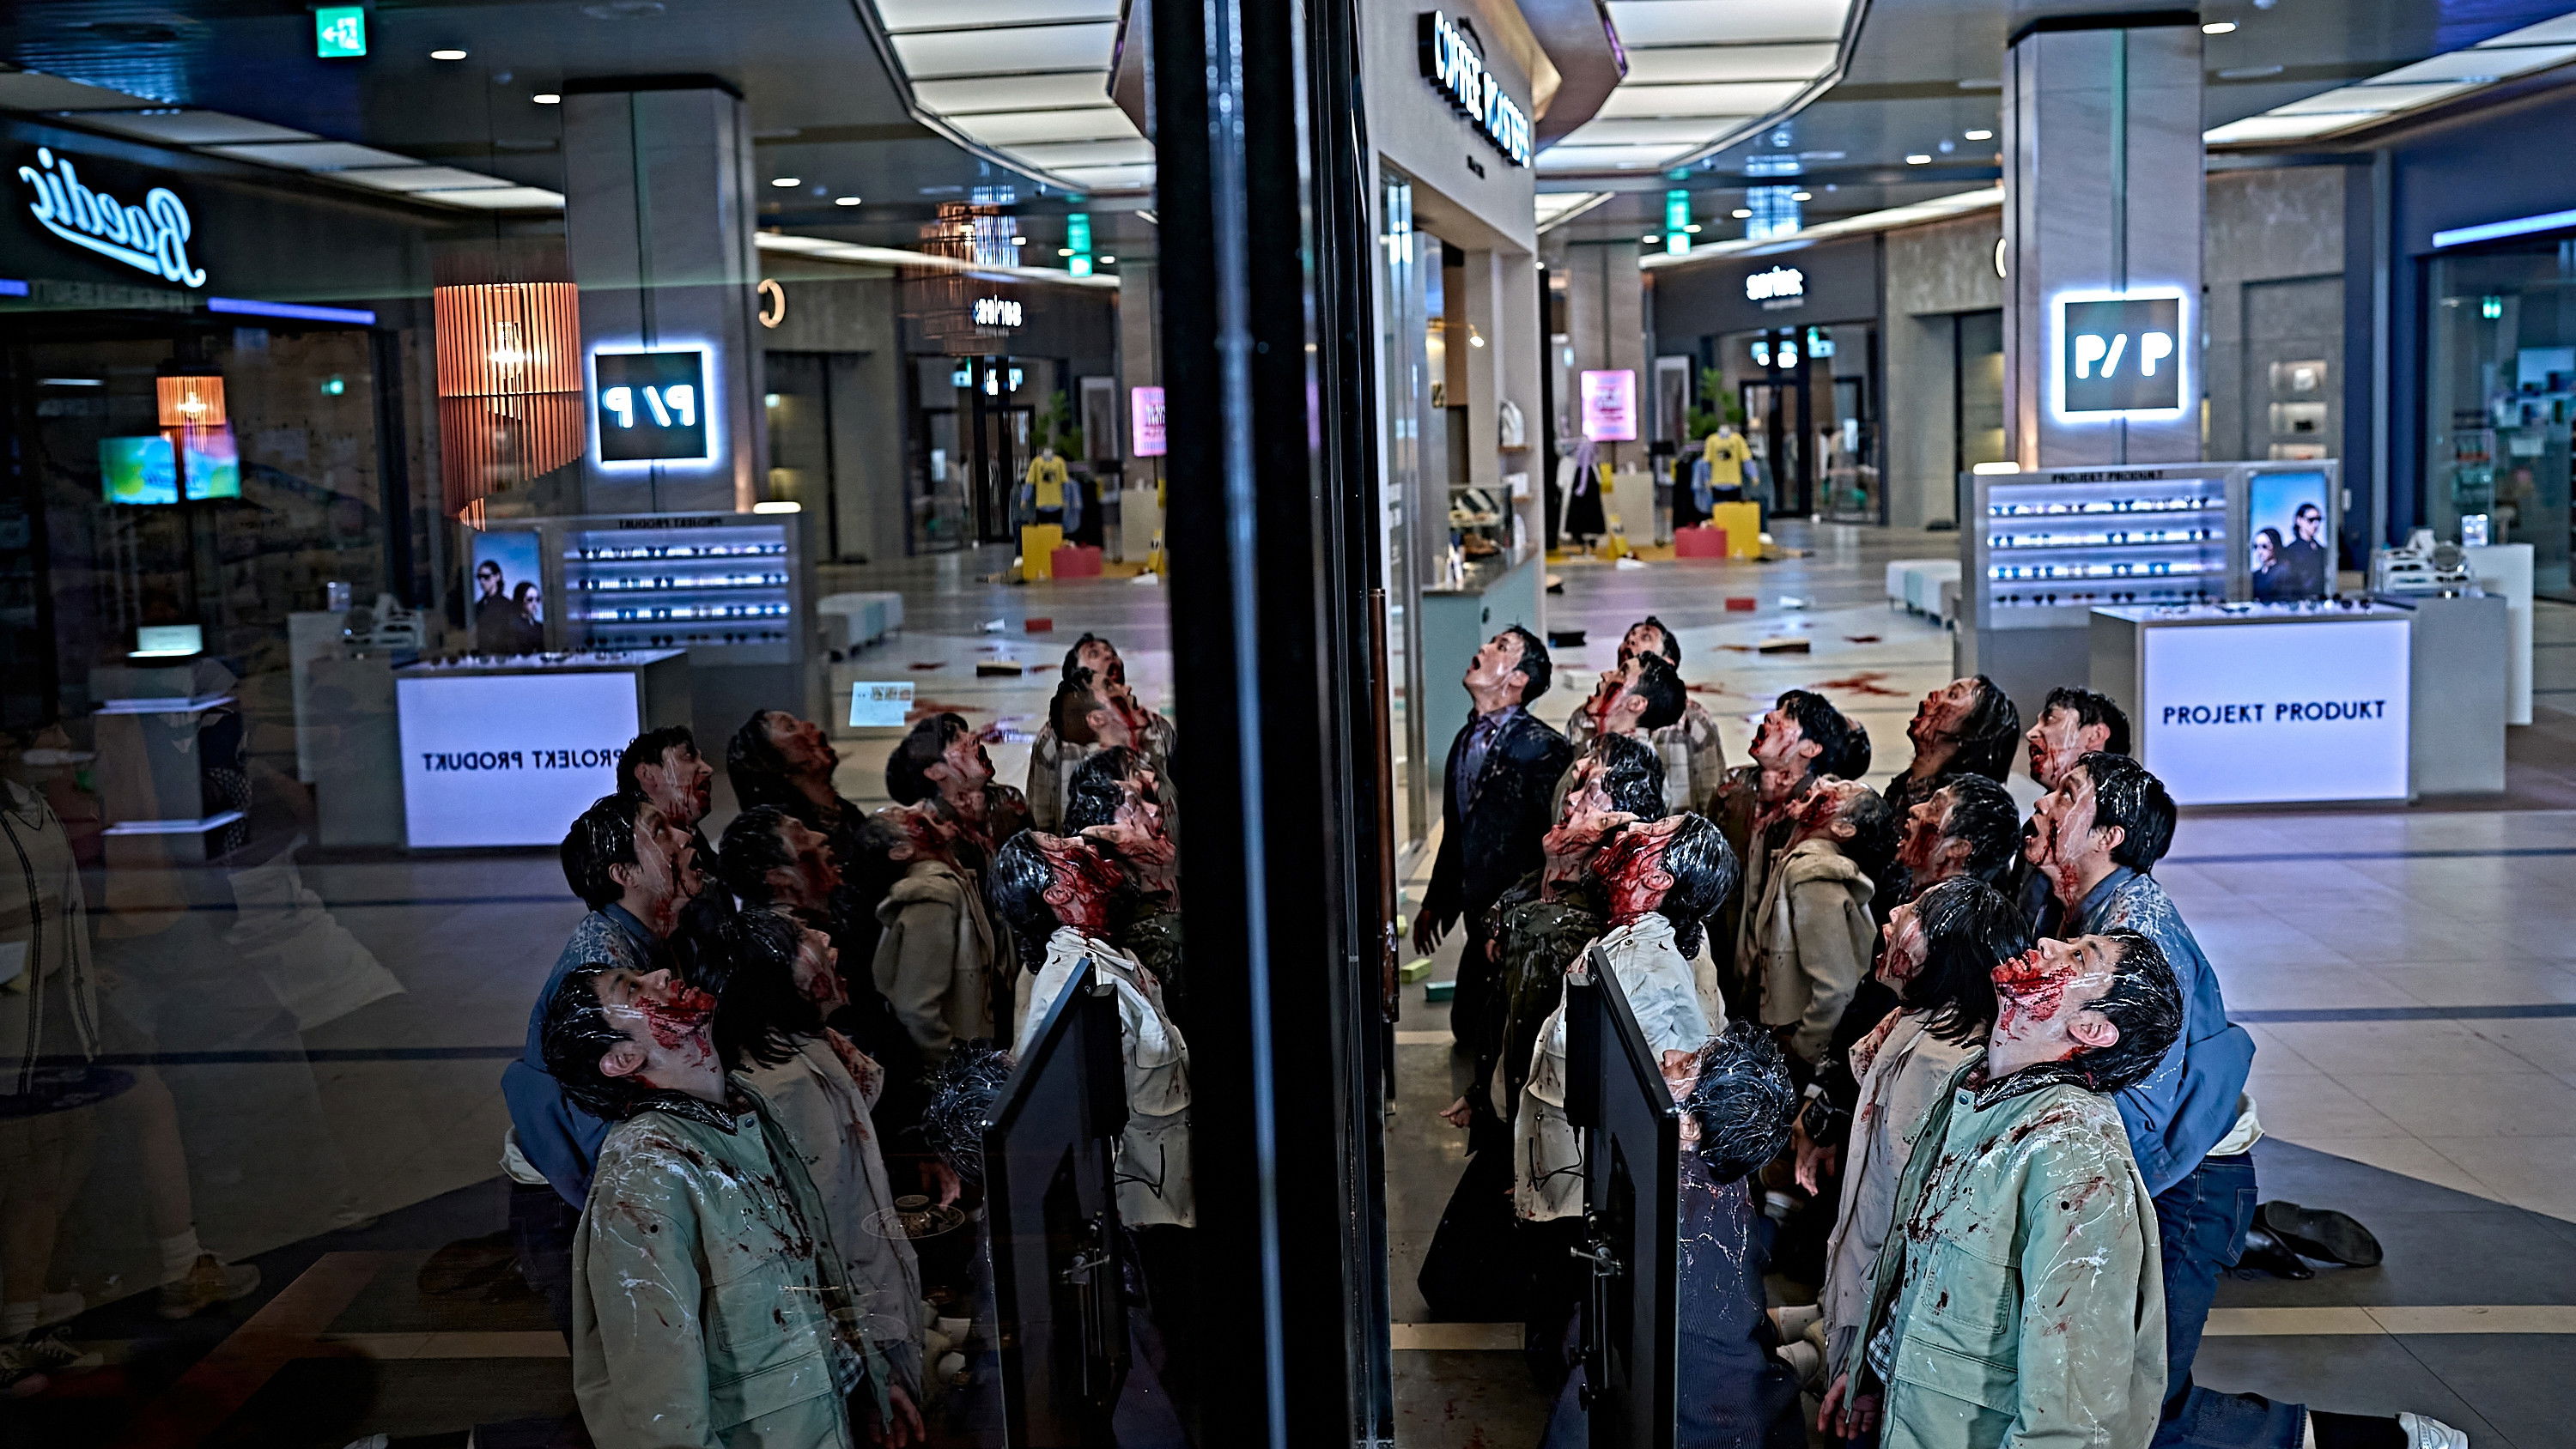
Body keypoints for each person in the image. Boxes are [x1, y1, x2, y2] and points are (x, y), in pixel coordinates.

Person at [2033, 753, 2457, 1449]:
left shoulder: (2136, 935)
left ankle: (2384, 1442)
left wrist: (2071, 1192)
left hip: (2188, 1184)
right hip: (2171, 1175)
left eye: (2066, 794)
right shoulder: (2083, 908)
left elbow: (2144, 1105)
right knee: (2124, 1402)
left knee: (2139, 1411)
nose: (2044, 804)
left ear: (2108, 835)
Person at [1825, 928, 2184, 1449]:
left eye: (2079, 956)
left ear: (2090, 1029)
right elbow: (1931, 1269)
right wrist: (1876, 1372)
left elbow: (2072, 1415)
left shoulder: (2077, 1162)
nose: (2049, 942)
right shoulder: (1976, 1092)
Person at [539, 963, 919, 1449]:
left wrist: (869, 1378)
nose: (660, 974)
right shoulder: (645, 1172)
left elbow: (813, 1265)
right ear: (624, 1059)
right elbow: (659, 1401)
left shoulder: (744, 1110)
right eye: (631, 989)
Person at [1516, 813, 1734, 1391]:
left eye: (1653, 833)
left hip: (1587, 1185)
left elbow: (1626, 1100)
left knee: (1572, 1329)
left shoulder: (1644, 962)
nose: (1628, 835)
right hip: (1572, 1173)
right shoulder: (1628, 942)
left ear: (1658, 878)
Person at [690, 909, 926, 1397]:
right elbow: (821, 1236)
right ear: (775, 981)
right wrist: (865, 1358)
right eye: (800, 937)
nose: (822, 935)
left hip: (872, 1308)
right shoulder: (779, 1088)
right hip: (853, 1327)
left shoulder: (811, 1046)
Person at [1540, 1023, 1804, 1449]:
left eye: (1687, 1065)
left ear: (1690, 1129)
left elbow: (1595, 1342)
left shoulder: (1670, 1211)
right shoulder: (1721, 1176)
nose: (1669, 1056)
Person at [501, 793, 705, 1334]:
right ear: (624, 874)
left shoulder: (647, 940)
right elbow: (601, 1127)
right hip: (574, 1202)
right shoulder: (604, 962)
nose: (684, 837)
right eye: (660, 832)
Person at [1810, 877, 2014, 1388]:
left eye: (1918, 912)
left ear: (1945, 956)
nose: (1895, 912)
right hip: (1865, 1282)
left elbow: (1914, 1227)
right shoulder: (1917, 1021)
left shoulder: (1940, 1064)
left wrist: (1873, 1360)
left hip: (1884, 1308)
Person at [1415, 627, 1574, 1061]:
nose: (1483, 648)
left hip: (1517, 919)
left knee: (1504, 1037)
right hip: (1477, 913)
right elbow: (1458, 831)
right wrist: (1438, 900)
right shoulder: (1465, 740)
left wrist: (1520, 917)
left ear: (1519, 679)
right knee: (1467, 1029)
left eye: (1501, 647)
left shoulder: (1543, 749)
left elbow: (1553, 848)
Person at [1711, 690, 1868, 1022]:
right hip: (1726, 976)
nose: (1770, 717)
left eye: (1788, 715)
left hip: (1784, 996)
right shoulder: (1731, 792)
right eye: (1776, 709)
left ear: (1810, 749)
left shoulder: (1824, 813)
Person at [1740, 777, 1894, 1076]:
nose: (1822, 782)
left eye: (1840, 790)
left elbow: (1837, 986)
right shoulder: (1797, 860)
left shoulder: (1814, 875)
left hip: (1792, 1038)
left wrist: (1804, 1048)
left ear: (1843, 829)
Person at [866, 801, 994, 1070]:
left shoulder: (955, 880)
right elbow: (916, 1005)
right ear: (902, 851)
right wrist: (952, 1063)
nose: (920, 806)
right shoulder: (931, 894)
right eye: (905, 816)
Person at [1565, 616, 1728, 815]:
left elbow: (1711, 790)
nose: (1630, 641)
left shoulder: (1694, 721)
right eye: (1629, 637)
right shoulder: (1584, 717)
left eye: (1646, 637)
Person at [1024, 634, 1178, 834]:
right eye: (1094, 654)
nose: (1109, 656)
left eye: (1112, 652)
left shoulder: (1157, 728)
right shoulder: (1054, 740)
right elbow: (1040, 814)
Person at [885, 711, 1035, 868]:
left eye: (965, 732)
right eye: (956, 739)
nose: (973, 737)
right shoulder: (932, 830)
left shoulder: (1008, 799)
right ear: (935, 772)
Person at [1552, 651, 1688, 819]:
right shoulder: (1601, 750)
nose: (1605, 674)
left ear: (1635, 704)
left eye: (1622, 672)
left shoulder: (1633, 770)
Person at [617, 725, 726, 930]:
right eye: (688, 757)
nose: (707, 769)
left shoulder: (698, 844)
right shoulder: (633, 857)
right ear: (647, 774)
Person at [1881, 676, 2020, 823]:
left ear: (1972, 733)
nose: (1934, 694)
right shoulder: (1900, 788)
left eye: (1953, 695)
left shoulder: (1969, 811)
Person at [1891, 772, 2022, 897]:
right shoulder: (1908, 890)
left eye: (1934, 807)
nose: (1913, 809)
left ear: (1958, 848)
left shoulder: (1949, 911)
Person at [2280, 500, 2330, 597]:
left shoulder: (2322, 549)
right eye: (2311, 520)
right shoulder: (2289, 551)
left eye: (2318, 519)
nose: (2316, 524)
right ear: (2299, 520)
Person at [2251, 526, 2288, 601]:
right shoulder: (2255, 575)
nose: (2259, 551)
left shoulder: (2284, 572)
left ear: (2275, 545)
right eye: (2256, 546)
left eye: (2264, 546)